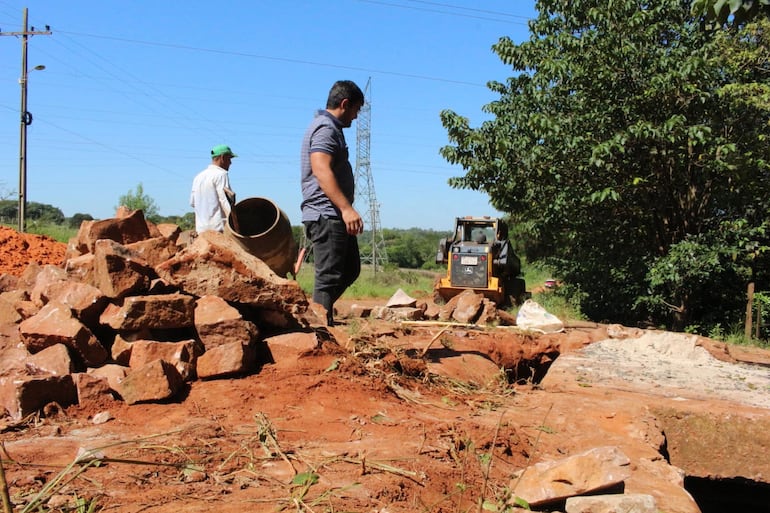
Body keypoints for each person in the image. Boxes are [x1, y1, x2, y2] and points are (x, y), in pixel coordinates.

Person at [300, 80, 365, 326]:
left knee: (350, 269)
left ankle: (316, 313)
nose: (356, 117)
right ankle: (318, 329)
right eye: (356, 110)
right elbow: (320, 167)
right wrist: (346, 208)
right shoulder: (326, 128)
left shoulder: (331, 128)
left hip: (334, 214)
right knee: (328, 278)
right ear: (345, 104)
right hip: (326, 214)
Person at [190, 144, 237, 233]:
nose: (230, 163)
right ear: (222, 158)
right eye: (229, 159)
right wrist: (235, 225)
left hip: (201, 230)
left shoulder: (198, 177)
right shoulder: (221, 175)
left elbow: (193, 203)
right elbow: (225, 201)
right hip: (218, 229)